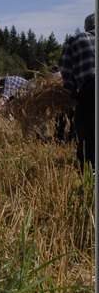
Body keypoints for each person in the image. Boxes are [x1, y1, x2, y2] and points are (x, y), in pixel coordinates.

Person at [58, 13, 95, 173]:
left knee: (87, 133)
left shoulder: (77, 40)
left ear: (87, 26)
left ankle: (90, 173)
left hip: (91, 88)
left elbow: (65, 69)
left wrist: (71, 94)